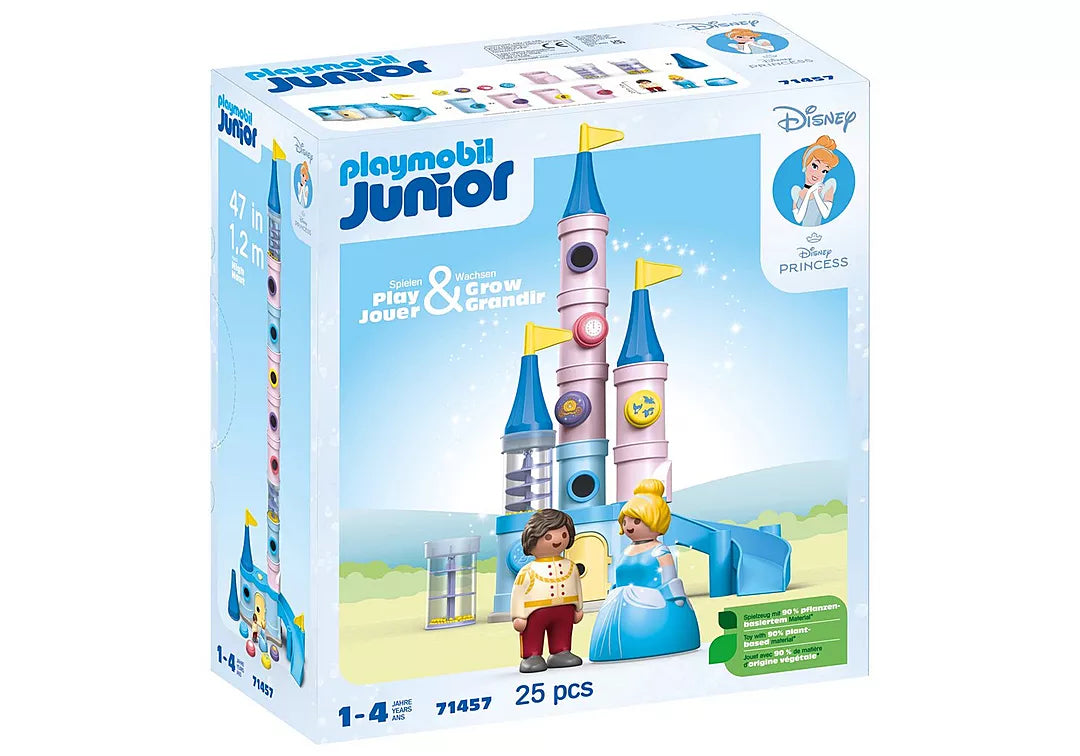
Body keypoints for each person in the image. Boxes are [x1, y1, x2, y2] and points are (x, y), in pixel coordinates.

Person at [589, 479, 700, 661]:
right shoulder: (626, 551)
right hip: (618, 607)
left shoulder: (660, 551)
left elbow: (669, 578)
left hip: (654, 605)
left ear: (655, 520)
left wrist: (675, 598)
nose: (629, 526)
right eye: (625, 521)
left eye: (636, 521)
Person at [510, 509, 585, 672]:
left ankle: (561, 652)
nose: (557, 540)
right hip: (535, 611)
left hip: (565, 608)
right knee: (533, 633)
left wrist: (579, 607)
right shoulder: (527, 571)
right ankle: (532, 656)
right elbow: (518, 594)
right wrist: (518, 615)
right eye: (548, 537)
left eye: (563, 535)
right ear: (532, 538)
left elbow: (577, 587)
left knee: (563, 630)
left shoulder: (571, 566)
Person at [791, 135, 840, 227]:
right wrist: (809, 192)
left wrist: (816, 193)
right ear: (805, 164)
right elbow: (798, 219)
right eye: (814, 166)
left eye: (824, 171)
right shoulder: (796, 192)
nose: (818, 174)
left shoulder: (827, 188)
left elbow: (825, 214)